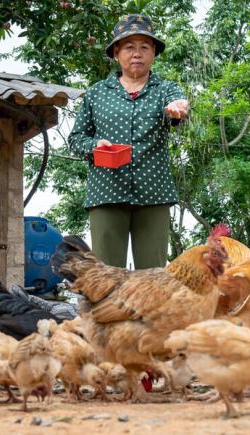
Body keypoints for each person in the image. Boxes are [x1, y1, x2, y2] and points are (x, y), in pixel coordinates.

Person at [68, 14, 189, 269]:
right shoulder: (96, 93)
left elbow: (178, 104)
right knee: (106, 277)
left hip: (153, 194)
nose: (137, 54)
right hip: (106, 192)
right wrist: (95, 147)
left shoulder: (165, 89)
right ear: (116, 53)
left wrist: (178, 108)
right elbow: (76, 138)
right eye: (129, 47)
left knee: (153, 277)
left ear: (153, 52)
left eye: (144, 47)